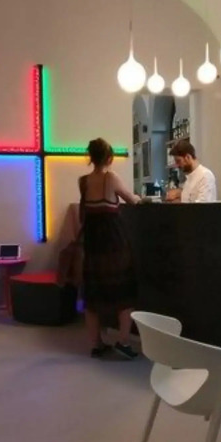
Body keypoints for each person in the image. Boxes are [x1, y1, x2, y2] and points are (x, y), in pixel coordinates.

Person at [79, 138, 140, 359]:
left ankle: (95, 344)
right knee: (124, 292)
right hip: (114, 243)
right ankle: (123, 341)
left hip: (92, 244)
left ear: (91, 157)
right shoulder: (110, 178)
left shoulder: (83, 181)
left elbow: (84, 213)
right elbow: (132, 200)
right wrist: (141, 198)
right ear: (109, 157)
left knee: (93, 295)